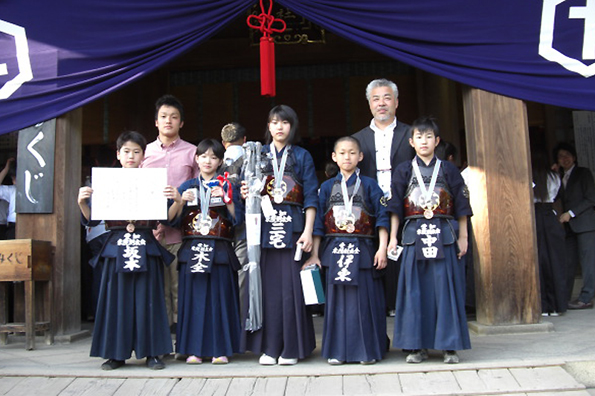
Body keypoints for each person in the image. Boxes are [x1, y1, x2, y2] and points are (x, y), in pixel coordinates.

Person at [77, 131, 175, 370]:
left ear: (143, 155)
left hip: (144, 242)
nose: (131, 156)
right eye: (127, 151)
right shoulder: (105, 182)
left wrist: (178, 202)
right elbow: (92, 221)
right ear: (118, 154)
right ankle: (115, 353)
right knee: (116, 300)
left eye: (137, 151)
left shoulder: (153, 182)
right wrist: (82, 203)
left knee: (149, 298)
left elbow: (167, 219)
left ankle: (153, 352)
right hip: (116, 244)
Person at [387, 116, 472, 364]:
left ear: (436, 141)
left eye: (428, 137)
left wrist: (463, 236)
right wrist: (393, 238)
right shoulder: (403, 169)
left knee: (445, 290)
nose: (424, 141)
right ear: (412, 142)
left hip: (445, 234)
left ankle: (449, 346)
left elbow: (462, 205)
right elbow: (395, 208)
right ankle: (417, 346)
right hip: (413, 235)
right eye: (419, 137)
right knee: (415, 291)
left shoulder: (449, 169)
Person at [241, 104, 318, 366]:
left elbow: (310, 196)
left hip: (293, 227)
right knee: (269, 289)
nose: (279, 127)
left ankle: (292, 348)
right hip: (264, 229)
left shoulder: (302, 156)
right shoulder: (258, 154)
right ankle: (270, 346)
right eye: (274, 122)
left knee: (291, 290)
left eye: (284, 122)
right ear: (268, 126)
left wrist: (308, 231)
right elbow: (249, 192)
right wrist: (245, 193)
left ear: (291, 126)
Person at [305, 136, 388, 365]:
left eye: (352, 153)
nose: (347, 157)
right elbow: (319, 225)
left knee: (364, 302)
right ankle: (337, 351)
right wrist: (314, 254)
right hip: (335, 249)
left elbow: (382, 219)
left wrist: (381, 249)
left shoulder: (370, 185)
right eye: (342, 153)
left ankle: (366, 351)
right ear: (334, 157)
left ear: (360, 156)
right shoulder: (326, 187)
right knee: (337, 304)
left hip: (363, 249)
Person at [166, 138, 243, 365]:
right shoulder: (187, 186)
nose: (208, 161)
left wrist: (228, 198)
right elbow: (169, 220)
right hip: (193, 248)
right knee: (194, 300)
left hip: (219, 248)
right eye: (203, 156)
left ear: (220, 161)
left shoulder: (228, 184)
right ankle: (193, 350)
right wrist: (180, 201)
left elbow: (238, 220)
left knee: (220, 298)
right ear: (196, 159)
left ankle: (221, 349)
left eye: (213, 157)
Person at [352, 78, 415, 316]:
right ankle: (380, 305)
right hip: (370, 207)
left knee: (404, 252)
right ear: (369, 104)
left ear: (396, 102)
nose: (381, 104)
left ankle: (403, 305)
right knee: (374, 255)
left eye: (387, 98)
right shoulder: (357, 139)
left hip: (407, 206)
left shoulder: (411, 134)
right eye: (376, 99)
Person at [141, 94, 199, 329]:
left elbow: (199, 191)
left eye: (174, 117)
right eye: (163, 117)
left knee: (180, 285)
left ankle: (182, 332)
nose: (168, 121)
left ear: (181, 123)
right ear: (156, 121)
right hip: (151, 233)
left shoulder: (193, 153)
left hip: (181, 232)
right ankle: (160, 334)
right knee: (156, 286)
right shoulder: (143, 153)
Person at [554, 142, 595, 310]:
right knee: (568, 263)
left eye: (567, 155)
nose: (565, 159)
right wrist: (552, 174)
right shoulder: (558, 177)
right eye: (561, 156)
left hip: (585, 225)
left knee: (588, 263)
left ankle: (586, 297)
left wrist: (570, 213)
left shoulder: (583, 173)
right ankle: (563, 298)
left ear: (574, 157)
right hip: (569, 228)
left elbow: (591, 198)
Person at [532, 146, 567, 316]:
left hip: (534, 217)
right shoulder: (554, 177)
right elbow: (559, 196)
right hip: (550, 217)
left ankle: (542, 305)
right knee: (554, 261)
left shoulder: (528, 177)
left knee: (539, 260)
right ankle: (557, 305)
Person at [220, 123, 248, 314]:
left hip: (219, 228)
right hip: (246, 228)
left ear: (223, 143)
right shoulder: (252, 160)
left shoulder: (214, 162)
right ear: (244, 141)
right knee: (243, 274)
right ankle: (242, 320)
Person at [0, 158, 16, 239]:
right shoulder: (12, 189)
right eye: (13, 179)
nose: (14, 181)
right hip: (12, 224)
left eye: (15, 178)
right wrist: (6, 168)